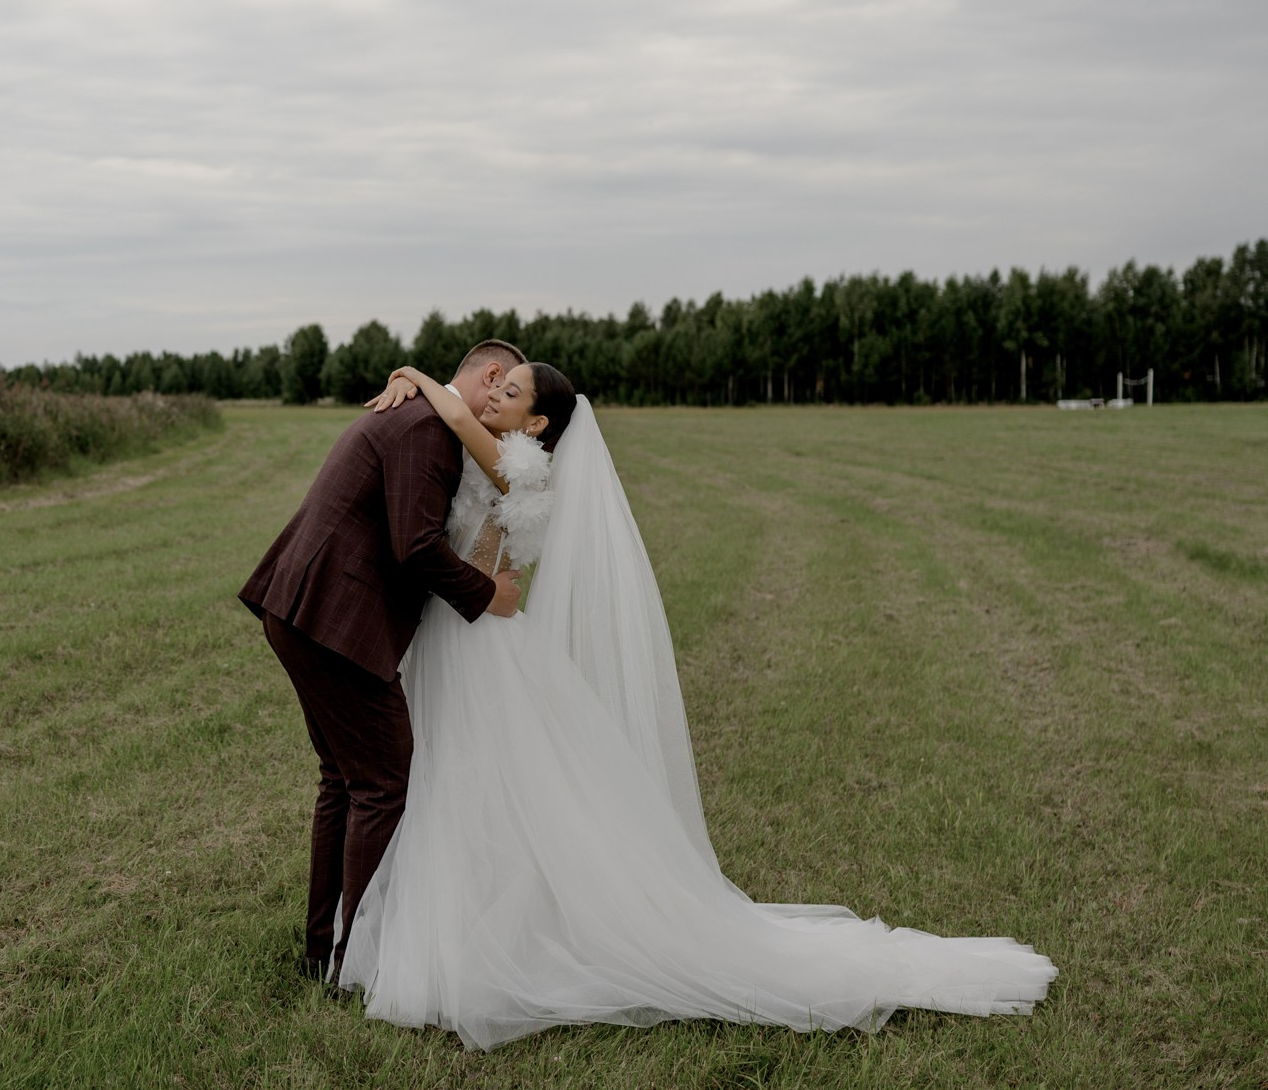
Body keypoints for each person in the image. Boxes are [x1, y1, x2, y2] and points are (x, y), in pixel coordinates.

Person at [338, 363, 1058, 1050]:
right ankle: (458, 920)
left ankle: (461, 938)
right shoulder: (508, 458)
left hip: (477, 646)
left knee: (468, 775)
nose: (496, 394)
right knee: (464, 779)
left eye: (513, 389)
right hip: (472, 631)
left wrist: (412, 373)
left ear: (541, 419)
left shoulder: (517, 464)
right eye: (500, 383)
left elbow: (456, 410)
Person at [239, 341, 528, 983]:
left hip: (303, 607)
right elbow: (415, 545)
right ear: (492, 375)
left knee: (345, 780)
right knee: (383, 782)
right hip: (334, 620)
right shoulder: (428, 424)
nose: (504, 406)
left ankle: (324, 954)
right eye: (506, 392)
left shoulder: (423, 411)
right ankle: (354, 960)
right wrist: (489, 596)